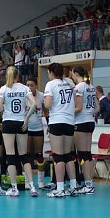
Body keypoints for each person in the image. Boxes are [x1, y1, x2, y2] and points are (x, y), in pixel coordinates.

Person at [0, 66, 35, 198]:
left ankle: (14, 188)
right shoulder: (25, 88)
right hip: (21, 123)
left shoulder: (4, 89)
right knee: (24, 156)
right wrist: (26, 117)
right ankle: (32, 187)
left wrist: (5, 106)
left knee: (10, 155)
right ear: (19, 76)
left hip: (8, 123)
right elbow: (34, 104)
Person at [45, 62, 77, 198]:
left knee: (58, 156)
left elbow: (47, 104)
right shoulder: (68, 84)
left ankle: (60, 188)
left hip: (57, 121)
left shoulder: (51, 85)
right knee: (68, 155)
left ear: (52, 73)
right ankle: (74, 186)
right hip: (69, 122)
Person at [71, 65, 96, 195]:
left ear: (75, 73)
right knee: (87, 153)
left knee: (82, 154)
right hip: (90, 121)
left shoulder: (79, 87)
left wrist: (67, 111)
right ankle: (89, 183)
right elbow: (97, 108)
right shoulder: (90, 86)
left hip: (80, 122)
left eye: (72, 74)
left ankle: (87, 184)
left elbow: (79, 107)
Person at [25, 77, 48, 194]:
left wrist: (48, 125)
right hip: (27, 129)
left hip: (38, 128)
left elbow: (46, 111)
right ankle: (27, 181)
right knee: (27, 155)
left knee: (39, 155)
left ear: (36, 86)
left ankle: (40, 181)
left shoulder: (41, 96)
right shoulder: (24, 95)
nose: (29, 87)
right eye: (28, 85)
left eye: (32, 85)